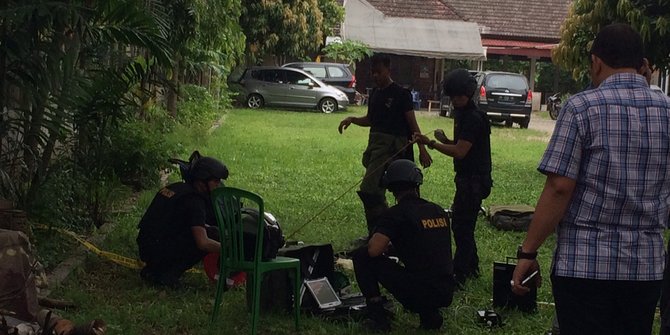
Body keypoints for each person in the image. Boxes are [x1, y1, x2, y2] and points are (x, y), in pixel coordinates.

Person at [511, 23, 670, 335]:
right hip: (646, 267)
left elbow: (559, 187)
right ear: (642, 64)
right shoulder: (667, 110)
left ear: (596, 62)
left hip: (584, 265)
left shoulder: (581, 108)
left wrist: (528, 252)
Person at [351, 159, 454, 332]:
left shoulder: (396, 214)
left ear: (390, 187)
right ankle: (429, 316)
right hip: (446, 290)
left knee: (362, 256)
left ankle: (377, 317)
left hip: (419, 293)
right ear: (417, 183)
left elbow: (374, 250)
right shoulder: (437, 210)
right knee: (424, 271)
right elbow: (425, 246)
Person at [413, 68, 492, 287]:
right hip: (467, 178)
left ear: (469, 93)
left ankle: (460, 273)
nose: (456, 100)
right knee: (464, 224)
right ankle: (472, 266)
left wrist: (432, 144)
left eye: (460, 96)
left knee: (461, 226)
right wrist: (445, 139)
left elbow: (460, 152)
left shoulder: (474, 118)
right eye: (453, 96)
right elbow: (460, 146)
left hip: (475, 181)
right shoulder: (462, 115)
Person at [338, 54, 432, 234]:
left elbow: (413, 124)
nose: (375, 76)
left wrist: (422, 149)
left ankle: (396, 233)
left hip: (396, 149)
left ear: (388, 70)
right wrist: (352, 119)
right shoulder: (374, 94)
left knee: (394, 192)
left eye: (379, 72)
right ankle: (378, 233)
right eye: (373, 72)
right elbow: (371, 120)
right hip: (376, 146)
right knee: (373, 193)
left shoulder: (401, 94)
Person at [136, 154, 227, 287]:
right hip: (159, 251)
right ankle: (167, 276)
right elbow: (203, 243)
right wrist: (228, 250)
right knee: (209, 236)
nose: (218, 185)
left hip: (146, 246)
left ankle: (153, 271)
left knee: (207, 230)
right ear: (203, 180)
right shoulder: (195, 201)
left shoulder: (176, 188)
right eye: (215, 181)